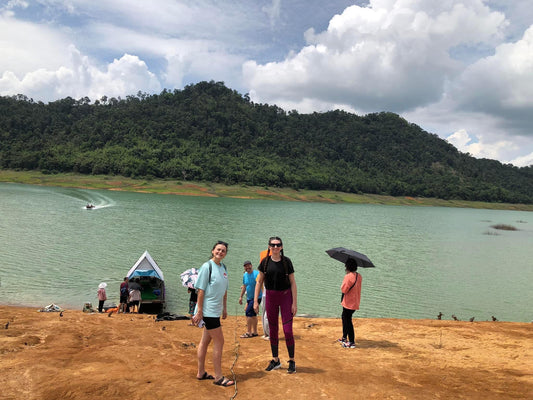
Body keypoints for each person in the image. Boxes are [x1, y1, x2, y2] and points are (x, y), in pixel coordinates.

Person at [192, 241, 235, 387]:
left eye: (223, 251)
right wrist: (199, 312)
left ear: (225, 254)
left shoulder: (223, 267)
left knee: (205, 341)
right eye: (218, 250)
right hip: (208, 311)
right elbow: (201, 290)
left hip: (216, 311)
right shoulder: (207, 266)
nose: (220, 252)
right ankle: (218, 377)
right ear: (212, 251)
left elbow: (224, 290)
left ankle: (201, 372)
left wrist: (224, 308)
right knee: (219, 341)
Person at [254, 236, 297, 374]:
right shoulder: (265, 262)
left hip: (285, 297)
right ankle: (275, 359)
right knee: (273, 330)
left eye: (278, 245)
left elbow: (293, 283)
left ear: (282, 247)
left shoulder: (287, 262)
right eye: (272, 245)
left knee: (288, 330)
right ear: (269, 247)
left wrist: (294, 303)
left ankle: (291, 361)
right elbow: (259, 282)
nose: (275, 247)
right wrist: (256, 300)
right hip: (271, 297)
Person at [339, 258, 362, 348]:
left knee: (347, 320)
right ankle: (344, 337)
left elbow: (343, 289)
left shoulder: (348, 277)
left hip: (348, 303)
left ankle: (351, 341)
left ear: (347, 267)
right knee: (345, 318)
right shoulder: (359, 276)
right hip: (355, 302)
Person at [238, 261, 261, 338]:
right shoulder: (245, 275)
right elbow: (244, 286)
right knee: (253, 315)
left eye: (249, 266)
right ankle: (255, 332)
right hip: (249, 298)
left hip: (257, 297)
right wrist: (241, 296)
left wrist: (256, 300)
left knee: (248, 313)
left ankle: (248, 332)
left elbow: (261, 284)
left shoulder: (257, 274)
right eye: (246, 266)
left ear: (251, 265)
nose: (247, 267)